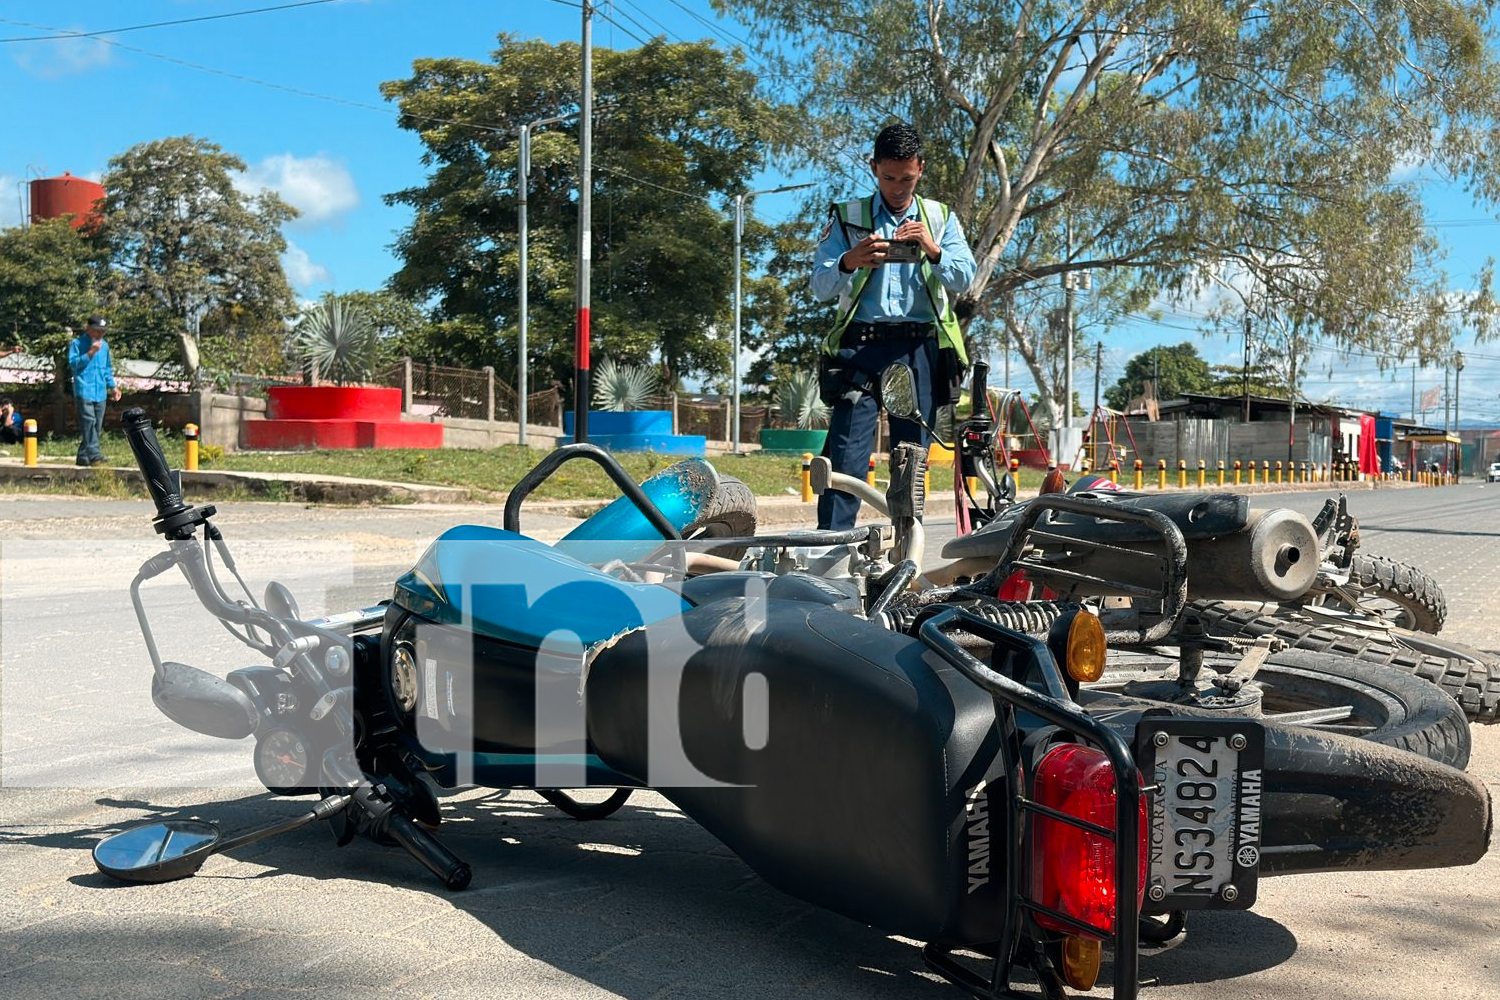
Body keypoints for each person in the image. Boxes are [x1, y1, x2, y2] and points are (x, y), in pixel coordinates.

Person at [810, 121, 976, 529]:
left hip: (918, 349)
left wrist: (933, 250)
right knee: (846, 451)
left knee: (911, 456)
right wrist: (850, 260)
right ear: (873, 168)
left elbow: (963, 279)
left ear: (921, 168)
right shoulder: (848, 217)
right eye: (888, 177)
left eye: (907, 177)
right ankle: (830, 550)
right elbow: (819, 286)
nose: (898, 188)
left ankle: (908, 546)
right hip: (861, 348)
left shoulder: (940, 218)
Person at [67, 316, 120, 467]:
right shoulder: (76, 344)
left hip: (100, 391)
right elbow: (73, 364)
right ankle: (95, 455)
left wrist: (113, 386)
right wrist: (90, 353)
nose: (100, 334)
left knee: (96, 425)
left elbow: (107, 369)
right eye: (97, 331)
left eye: (103, 332)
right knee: (89, 423)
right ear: (88, 329)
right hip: (84, 390)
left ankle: (83, 456)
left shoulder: (105, 346)